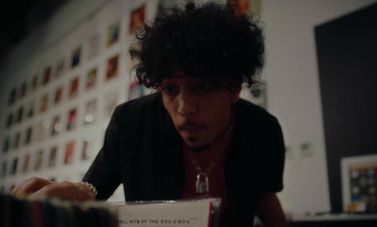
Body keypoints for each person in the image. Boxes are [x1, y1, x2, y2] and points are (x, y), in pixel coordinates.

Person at [11, 2, 287, 227]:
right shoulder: (132, 122)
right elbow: (92, 189)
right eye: (170, 88)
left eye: (201, 86)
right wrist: (73, 196)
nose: (184, 108)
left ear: (234, 88)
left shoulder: (262, 129)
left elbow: (264, 195)